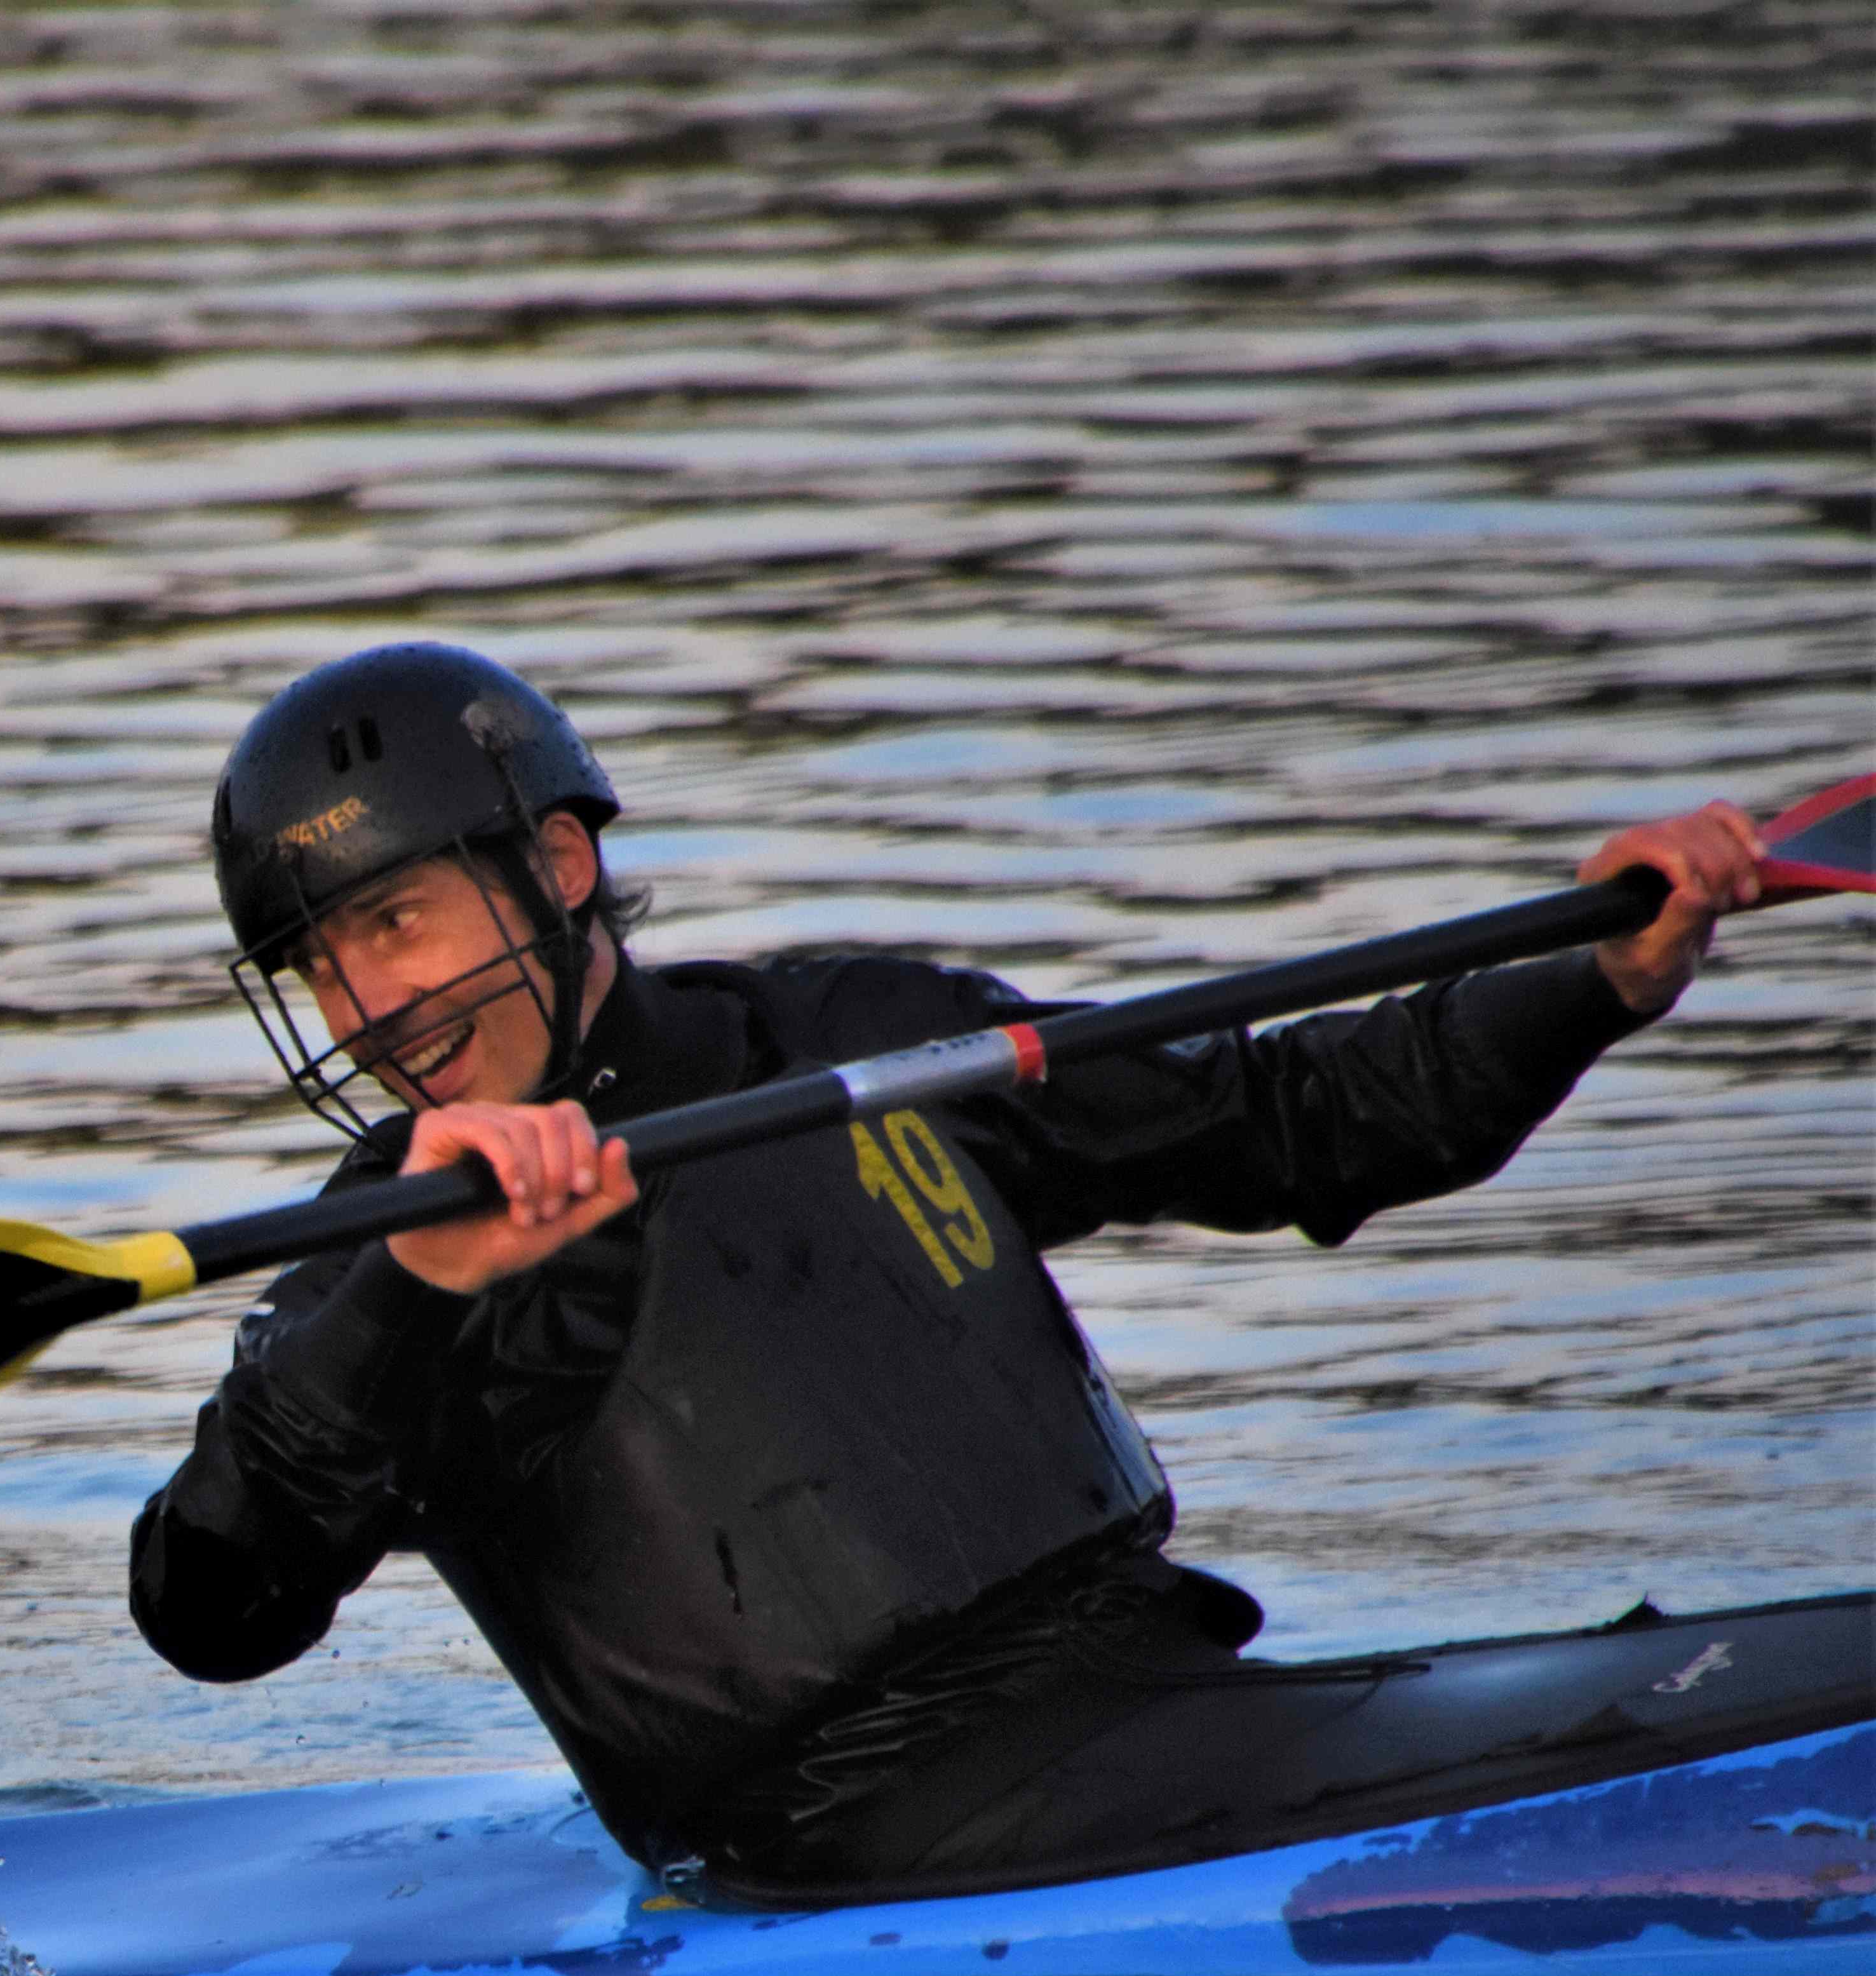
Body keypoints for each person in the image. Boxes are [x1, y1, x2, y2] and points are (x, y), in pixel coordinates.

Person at [128, 642, 1768, 1900]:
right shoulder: (379, 1250)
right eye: (316, 961)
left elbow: (1299, 1125)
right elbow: (215, 1607)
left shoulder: (856, 1039)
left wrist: (1595, 978)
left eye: (395, 923)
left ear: (556, 867)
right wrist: (422, 1286)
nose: (364, 1005)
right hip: (859, 1840)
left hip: (1164, 1696)